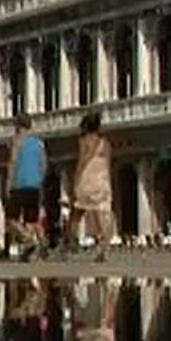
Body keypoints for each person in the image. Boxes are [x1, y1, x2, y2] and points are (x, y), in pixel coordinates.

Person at [69, 112, 115, 262]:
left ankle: (71, 243)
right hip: (102, 179)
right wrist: (107, 181)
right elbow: (108, 163)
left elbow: (82, 159)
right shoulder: (105, 142)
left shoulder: (84, 140)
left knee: (76, 213)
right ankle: (105, 247)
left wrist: (75, 180)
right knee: (103, 214)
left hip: (87, 178)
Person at [6, 113, 47, 260]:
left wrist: (8, 183)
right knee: (32, 220)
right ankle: (42, 246)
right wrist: (39, 180)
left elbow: (12, 162)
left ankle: (28, 240)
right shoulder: (38, 143)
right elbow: (43, 165)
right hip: (34, 186)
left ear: (17, 125)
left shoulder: (16, 141)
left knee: (11, 219)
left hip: (19, 184)